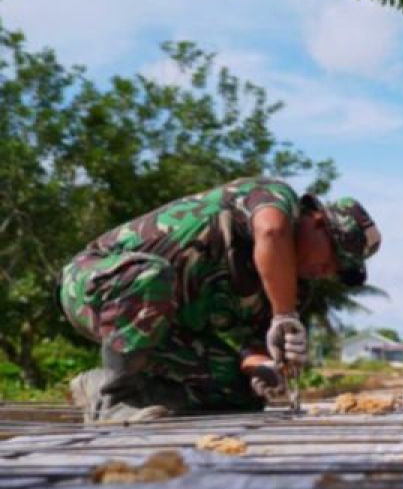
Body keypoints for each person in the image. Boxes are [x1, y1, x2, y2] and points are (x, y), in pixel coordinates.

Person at [60, 178, 380, 423]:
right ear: (317, 221)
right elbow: (270, 231)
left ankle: (109, 387)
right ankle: (113, 399)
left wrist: (266, 373)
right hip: (97, 287)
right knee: (152, 276)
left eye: (339, 270)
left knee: (237, 394)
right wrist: (285, 315)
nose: (328, 271)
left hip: (161, 330)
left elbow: (254, 350)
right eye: (335, 257)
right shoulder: (276, 198)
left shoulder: (297, 288)